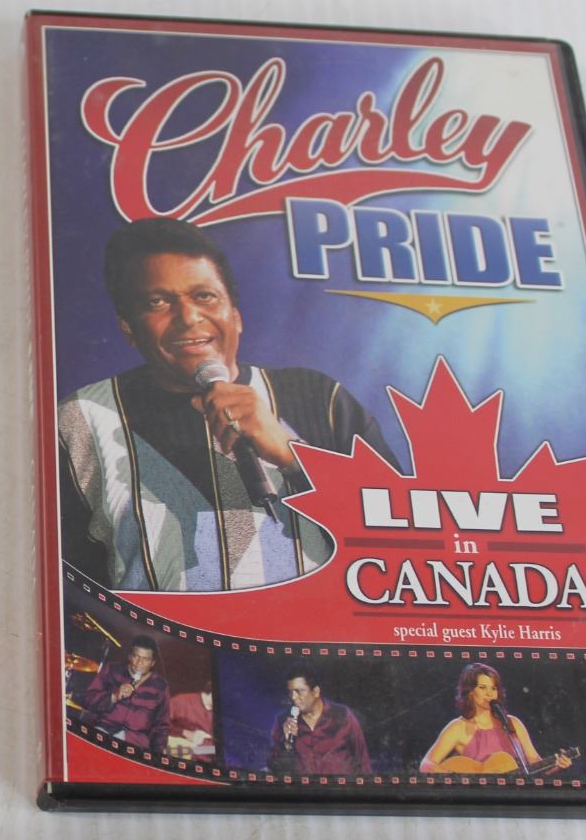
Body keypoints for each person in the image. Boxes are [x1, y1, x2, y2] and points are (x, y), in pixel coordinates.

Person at [57, 219, 397, 592]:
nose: (188, 318)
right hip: (164, 631)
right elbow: (63, 583)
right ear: (128, 328)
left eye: (204, 296)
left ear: (236, 316)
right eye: (158, 302)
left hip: (317, 630)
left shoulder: (318, 398)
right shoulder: (82, 417)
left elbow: (402, 536)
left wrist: (293, 456)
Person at [419, 663, 573, 774]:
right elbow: (426, 764)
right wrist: (453, 778)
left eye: (493, 688)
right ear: (470, 691)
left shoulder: (513, 723)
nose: (489, 694)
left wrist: (556, 766)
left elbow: (535, 763)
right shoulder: (458, 727)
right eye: (482, 687)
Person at [73, 634, 171, 752]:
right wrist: (113, 696)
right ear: (130, 656)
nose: (139, 663)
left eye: (146, 659)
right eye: (136, 656)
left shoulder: (160, 686)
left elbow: (162, 726)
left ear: (153, 662)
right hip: (102, 731)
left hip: (135, 743)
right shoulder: (111, 670)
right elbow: (86, 699)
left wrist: (157, 754)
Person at [267, 663, 371, 774]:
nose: (293, 697)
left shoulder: (342, 716)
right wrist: (286, 743)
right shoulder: (283, 721)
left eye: (299, 691)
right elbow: (274, 768)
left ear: (316, 692)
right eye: (290, 692)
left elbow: (363, 761)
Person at [168, 680, 215, 757]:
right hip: (179, 752)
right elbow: (157, 723)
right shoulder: (181, 701)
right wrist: (184, 732)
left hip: (205, 753)